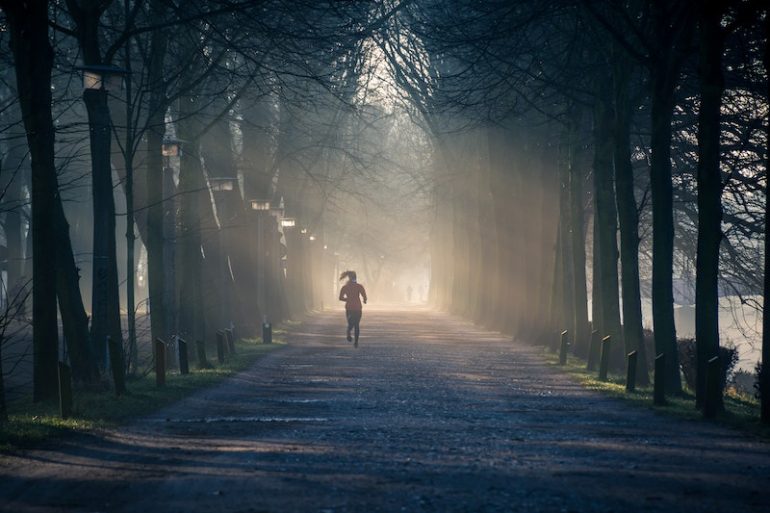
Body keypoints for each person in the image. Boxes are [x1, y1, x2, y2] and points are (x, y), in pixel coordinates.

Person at [339, 270, 367, 347]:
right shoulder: (359, 286)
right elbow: (364, 296)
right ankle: (356, 342)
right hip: (358, 308)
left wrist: (348, 299)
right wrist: (364, 300)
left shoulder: (345, 287)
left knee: (350, 323)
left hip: (349, 308)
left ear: (348, 278)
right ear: (355, 278)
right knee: (357, 324)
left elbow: (340, 298)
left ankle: (348, 331)